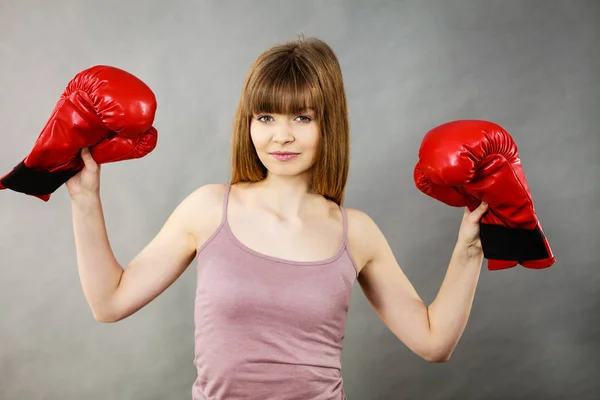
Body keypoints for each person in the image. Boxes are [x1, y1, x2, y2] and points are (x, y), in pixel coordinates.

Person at [66, 36, 489, 400]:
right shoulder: (209, 209)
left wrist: (469, 248)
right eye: (265, 117)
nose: (280, 135)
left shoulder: (356, 232)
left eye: (301, 117)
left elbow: (434, 342)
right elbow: (110, 303)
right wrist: (86, 199)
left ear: (329, 125)